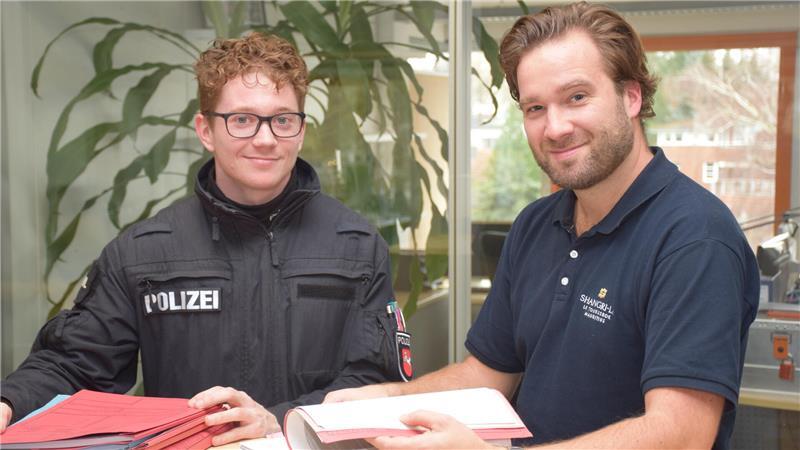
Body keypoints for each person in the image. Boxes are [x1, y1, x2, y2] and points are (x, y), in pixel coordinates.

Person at [325, 2, 760, 449]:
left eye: (576, 97)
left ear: (631, 96)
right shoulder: (536, 224)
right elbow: (486, 375)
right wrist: (380, 400)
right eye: (535, 108)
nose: (555, 127)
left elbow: (681, 435)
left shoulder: (695, 236)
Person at [0, 33, 406, 445]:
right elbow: (73, 364)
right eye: (242, 119)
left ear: (300, 131)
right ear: (206, 130)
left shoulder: (356, 246)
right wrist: (8, 402)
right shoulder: (144, 253)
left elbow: (373, 380)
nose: (265, 139)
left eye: (283, 120)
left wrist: (279, 420)